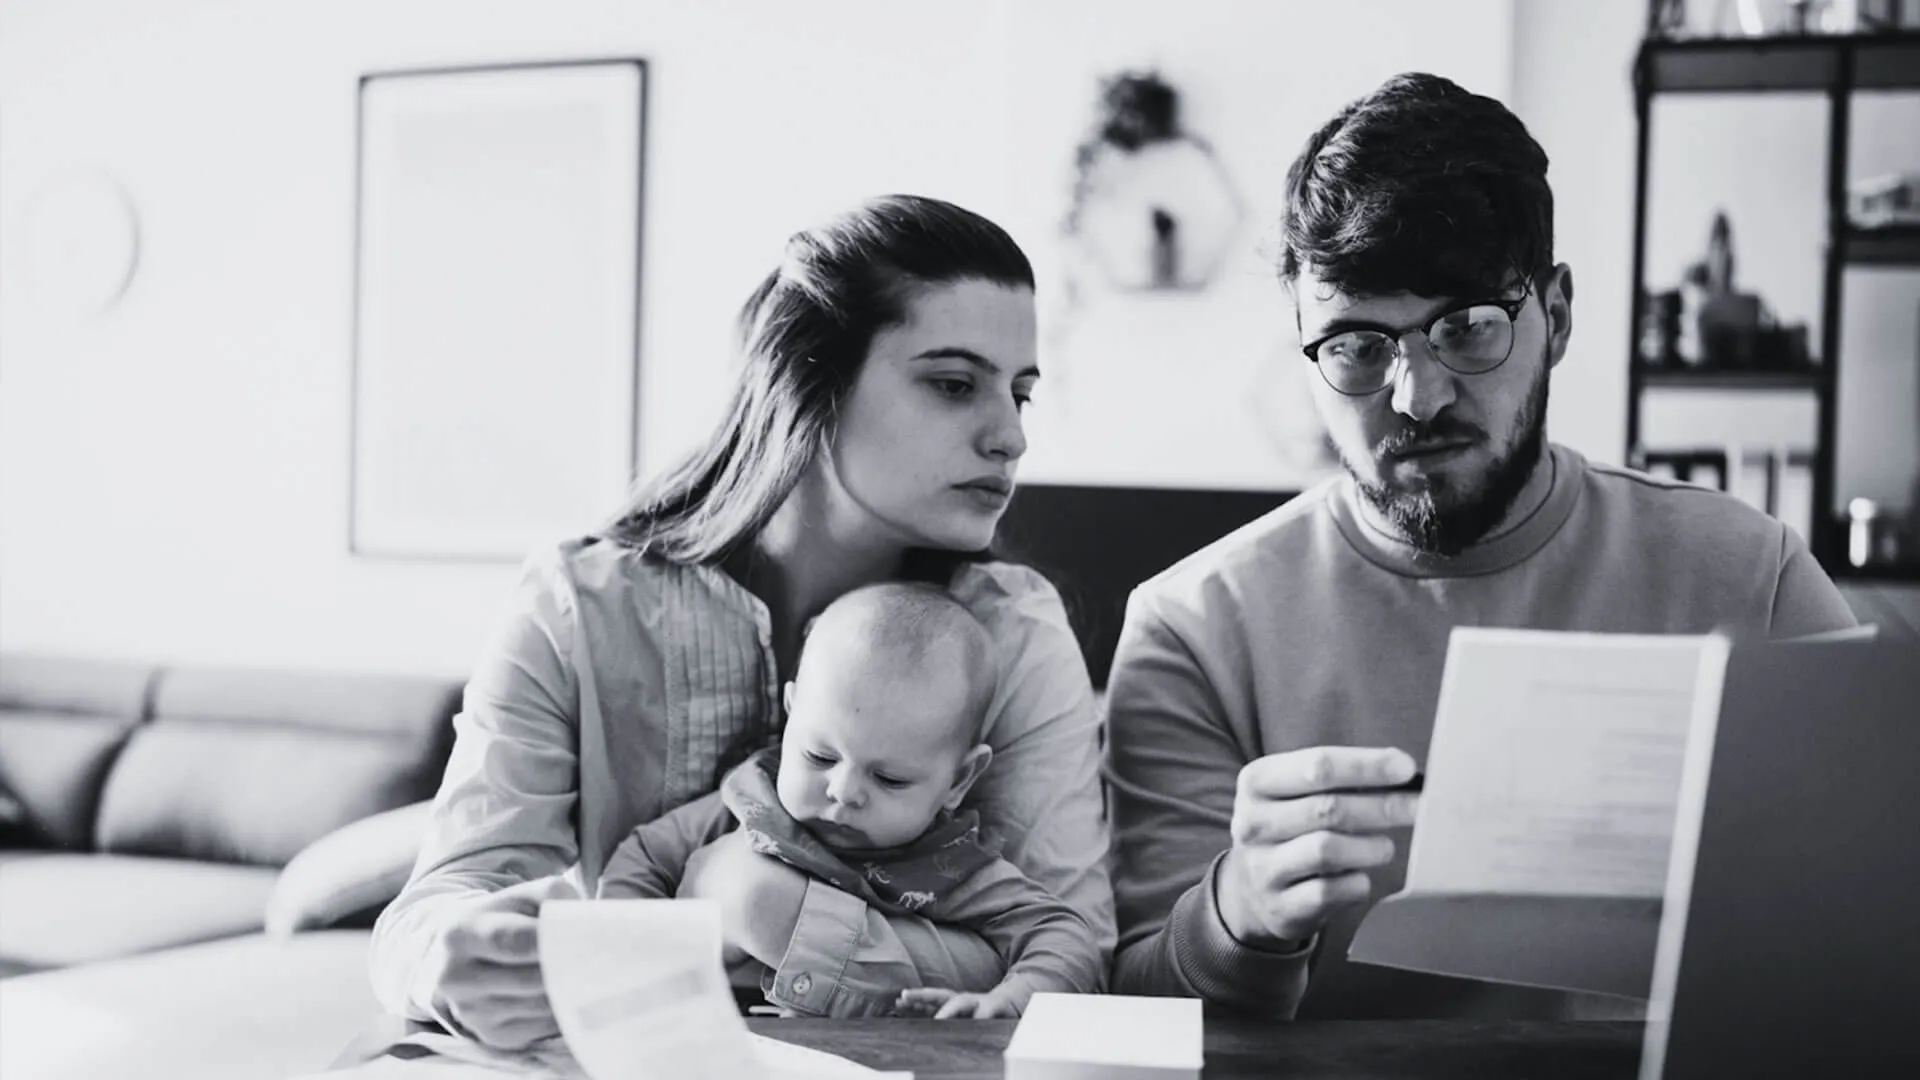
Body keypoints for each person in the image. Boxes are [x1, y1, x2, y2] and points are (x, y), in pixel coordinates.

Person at [1102, 73, 1857, 1021]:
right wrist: (1237, 916)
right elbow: (1131, 1016)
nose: (1417, 397)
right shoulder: (1193, 630)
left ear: (1559, 317)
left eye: (1466, 328)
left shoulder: (1752, 578)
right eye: (1357, 346)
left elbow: (1878, 921)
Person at [369, 194, 1114, 1049]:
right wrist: (448, 957)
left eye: (1020, 394)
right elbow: (431, 911)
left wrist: (756, 905)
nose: (1011, 436)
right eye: (954, 385)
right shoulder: (576, 607)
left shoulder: (1014, 633)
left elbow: (1075, 960)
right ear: (807, 382)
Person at [596, 581, 1103, 1019]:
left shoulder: (951, 866)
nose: (842, 791)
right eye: (819, 756)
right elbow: (643, 858)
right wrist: (630, 967)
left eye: (889, 779)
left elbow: (1064, 935)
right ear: (792, 715)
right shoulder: (751, 799)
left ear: (959, 780)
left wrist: (1013, 1000)